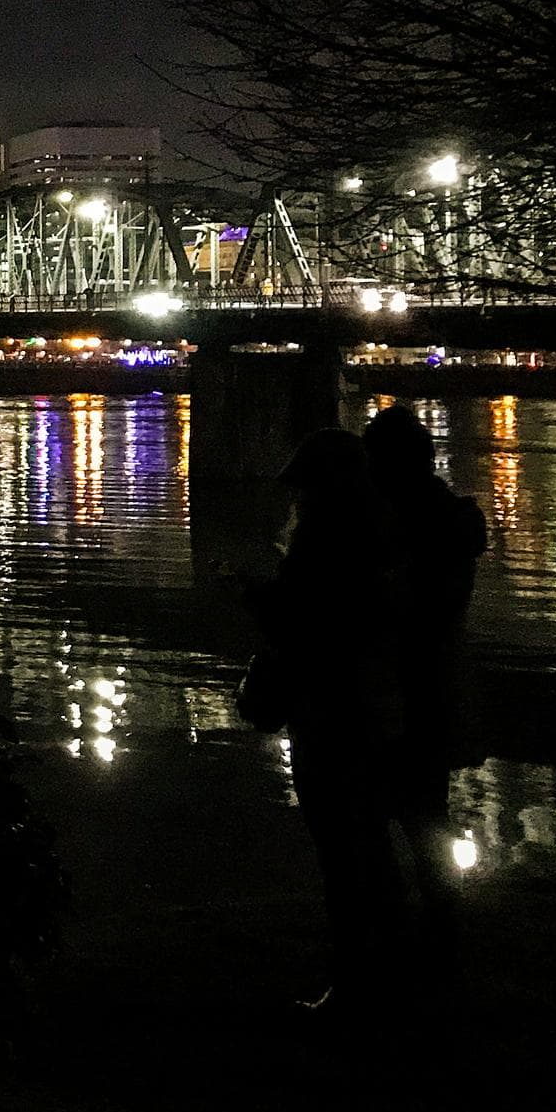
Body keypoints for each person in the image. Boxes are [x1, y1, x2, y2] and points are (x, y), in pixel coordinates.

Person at [242, 427, 406, 1013]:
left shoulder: (321, 541)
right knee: (369, 838)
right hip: (371, 703)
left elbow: (301, 620)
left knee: (339, 844)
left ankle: (355, 979)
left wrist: (253, 597)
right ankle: (392, 965)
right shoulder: (382, 530)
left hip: (328, 705)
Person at [364, 403, 488, 989]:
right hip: (437, 687)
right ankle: (442, 933)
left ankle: (402, 943)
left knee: (379, 818)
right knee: (427, 815)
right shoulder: (452, 520)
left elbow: (393, 608)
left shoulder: (398, 525)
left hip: (396, 689)